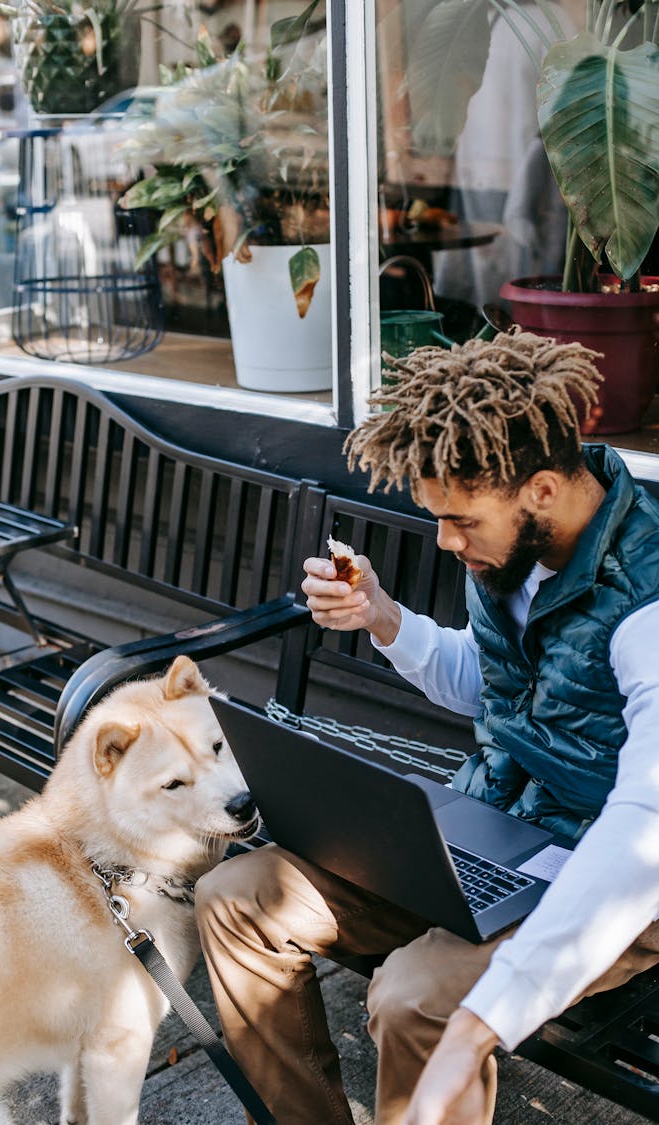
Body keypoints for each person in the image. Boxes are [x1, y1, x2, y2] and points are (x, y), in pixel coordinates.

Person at [195, 330, 659, 1125]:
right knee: (235, 895)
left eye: (460, 520)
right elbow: (500, 683)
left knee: (413, 995)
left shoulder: (646, 603)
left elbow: (643, 826)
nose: (446, 539)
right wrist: (383, 617)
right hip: (492, 836)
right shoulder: (514, 552)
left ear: (542, 489)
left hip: (608, 879)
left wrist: (490, 1010)